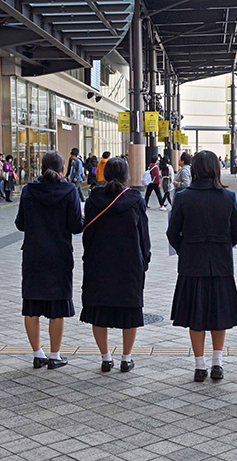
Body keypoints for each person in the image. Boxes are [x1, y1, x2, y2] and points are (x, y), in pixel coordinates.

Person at [167, 150, 237, 382]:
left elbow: (172, 233)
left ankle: (199, 366)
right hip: (221, 264)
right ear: (217, 169)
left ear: (196, 169)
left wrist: (186, 248)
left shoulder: (183, 197)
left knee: (196, 314)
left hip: (191, 264)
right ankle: (217, 363)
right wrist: (222, 244)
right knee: (219, 314)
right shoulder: (228, 197)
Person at [81, 158, 151, 373]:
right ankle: (126, 359)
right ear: (126, 175)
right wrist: (144, 260)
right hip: (129, 264)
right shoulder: (135, 199)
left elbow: (87, 233)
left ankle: (105, 358)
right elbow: (144, 236)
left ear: (105, 174)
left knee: (98, 310)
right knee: (130, 311)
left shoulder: (94, 198)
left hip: (98, 262)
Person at [15, 151, 83, 370]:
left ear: (41, 168)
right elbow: (75, 226)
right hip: (59, 256)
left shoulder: (28, 190)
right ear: (63, 168)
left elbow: (20, 224)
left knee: (31, 305)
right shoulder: (69, 190)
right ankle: (55, 355)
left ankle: (37, 354)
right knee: (57, 307)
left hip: (33, 255)